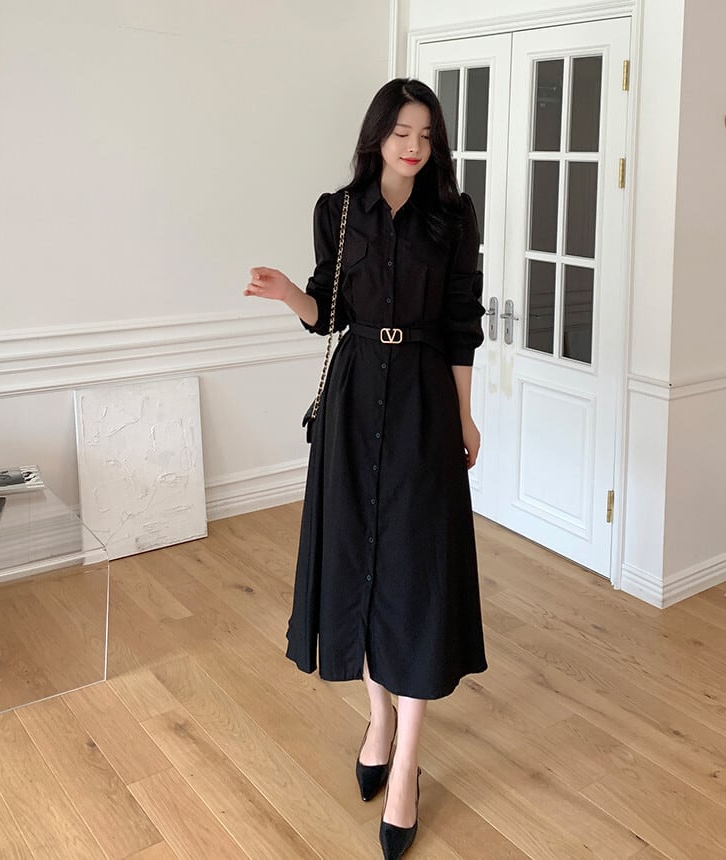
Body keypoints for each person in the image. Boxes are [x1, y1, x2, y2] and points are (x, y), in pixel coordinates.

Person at [245, 78, 487, 859]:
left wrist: (464, 414)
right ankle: (378, 719)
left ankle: (407, 763)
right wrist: (291, 294)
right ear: (377, 136)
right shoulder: (338, 210)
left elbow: (461, 322)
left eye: (426, 135)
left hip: (423, 400)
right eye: (401, 133)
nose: (413, 147)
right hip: (353, 403)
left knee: (415, 576)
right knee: (361, 566)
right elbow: (332, 313)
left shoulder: (453, 216)